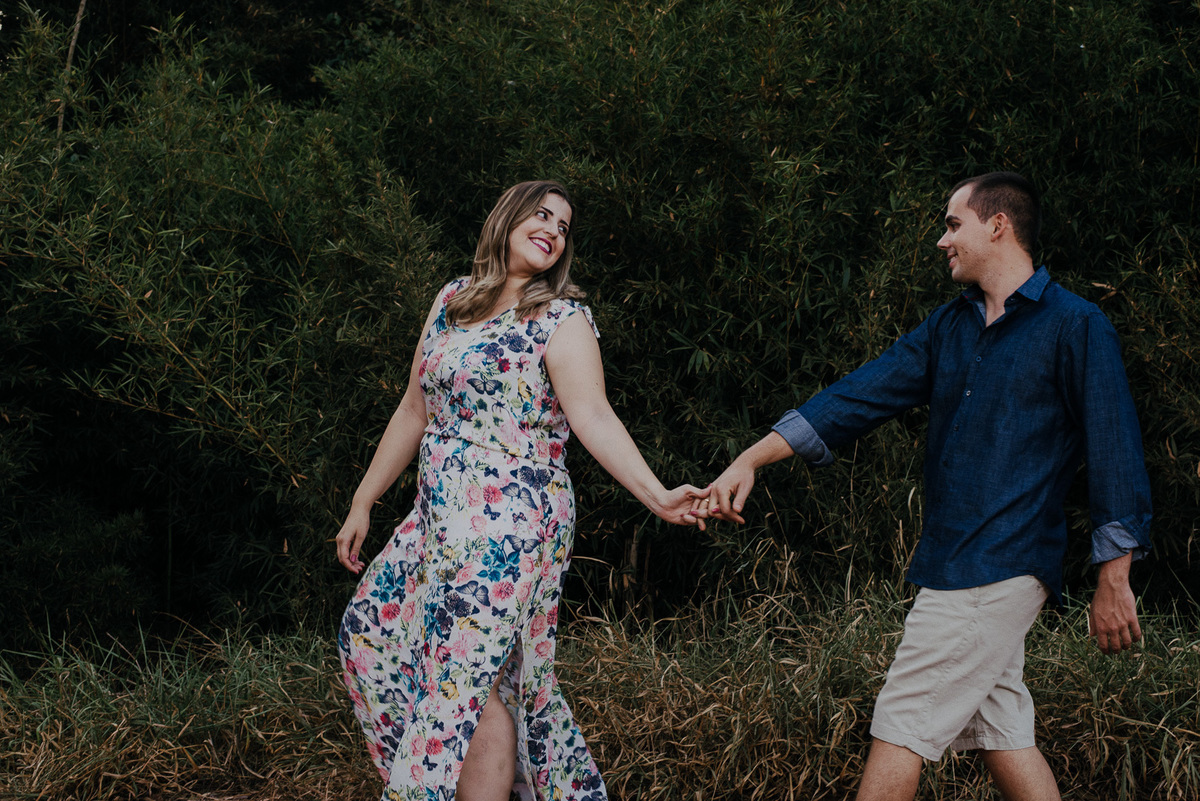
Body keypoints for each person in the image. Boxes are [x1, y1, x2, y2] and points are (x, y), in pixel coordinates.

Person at [695, 172, 1151, 801]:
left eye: (953, 224)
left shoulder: (1075, 325)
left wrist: (1114, 577)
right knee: (1002, 732)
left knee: (901, 722)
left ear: (998, 225)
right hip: (952, 558)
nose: (942, 240)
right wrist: (752, 457)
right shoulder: (950, 326)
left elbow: (1114, 448)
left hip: (999, 563)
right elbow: (859, 394)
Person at [334, 181, 708, 801]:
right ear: (507, 218)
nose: (554, 230)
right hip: (437, 517)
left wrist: (657, 495)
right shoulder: (452, 299)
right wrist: (363, 500)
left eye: (564, 226)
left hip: (509, 524)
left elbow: (593, 416)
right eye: (543, 215)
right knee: (371, 635)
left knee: (459, 679)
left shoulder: (561, 318)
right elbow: (413, 408)